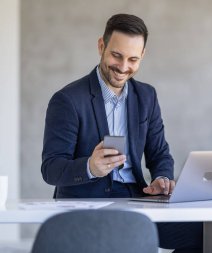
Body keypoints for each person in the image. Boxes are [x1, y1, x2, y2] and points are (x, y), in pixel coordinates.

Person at [41, 13, 202, 253]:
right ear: (101, 46)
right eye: (117, 55)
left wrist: (161, 179)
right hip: (87, 204)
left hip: (137, 199)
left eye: (133, 59)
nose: (123, 67)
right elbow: (51, 169)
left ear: (142, 56)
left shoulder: (146, 96)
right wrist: (90, 167)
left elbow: (160, 155)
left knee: (206, 234)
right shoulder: (68, 100)